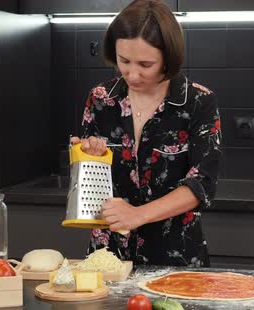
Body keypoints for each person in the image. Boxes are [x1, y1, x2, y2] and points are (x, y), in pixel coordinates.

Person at [70, 0, 221, 267]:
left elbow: (202, 185)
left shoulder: (198, 101)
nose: (133, 74)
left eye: (145, 64)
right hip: (107, 258)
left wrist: (138, 215)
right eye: (123, 61)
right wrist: (86, 158)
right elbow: (89, 188)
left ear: (168, 59)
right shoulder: (100, 99)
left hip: (177, 257)